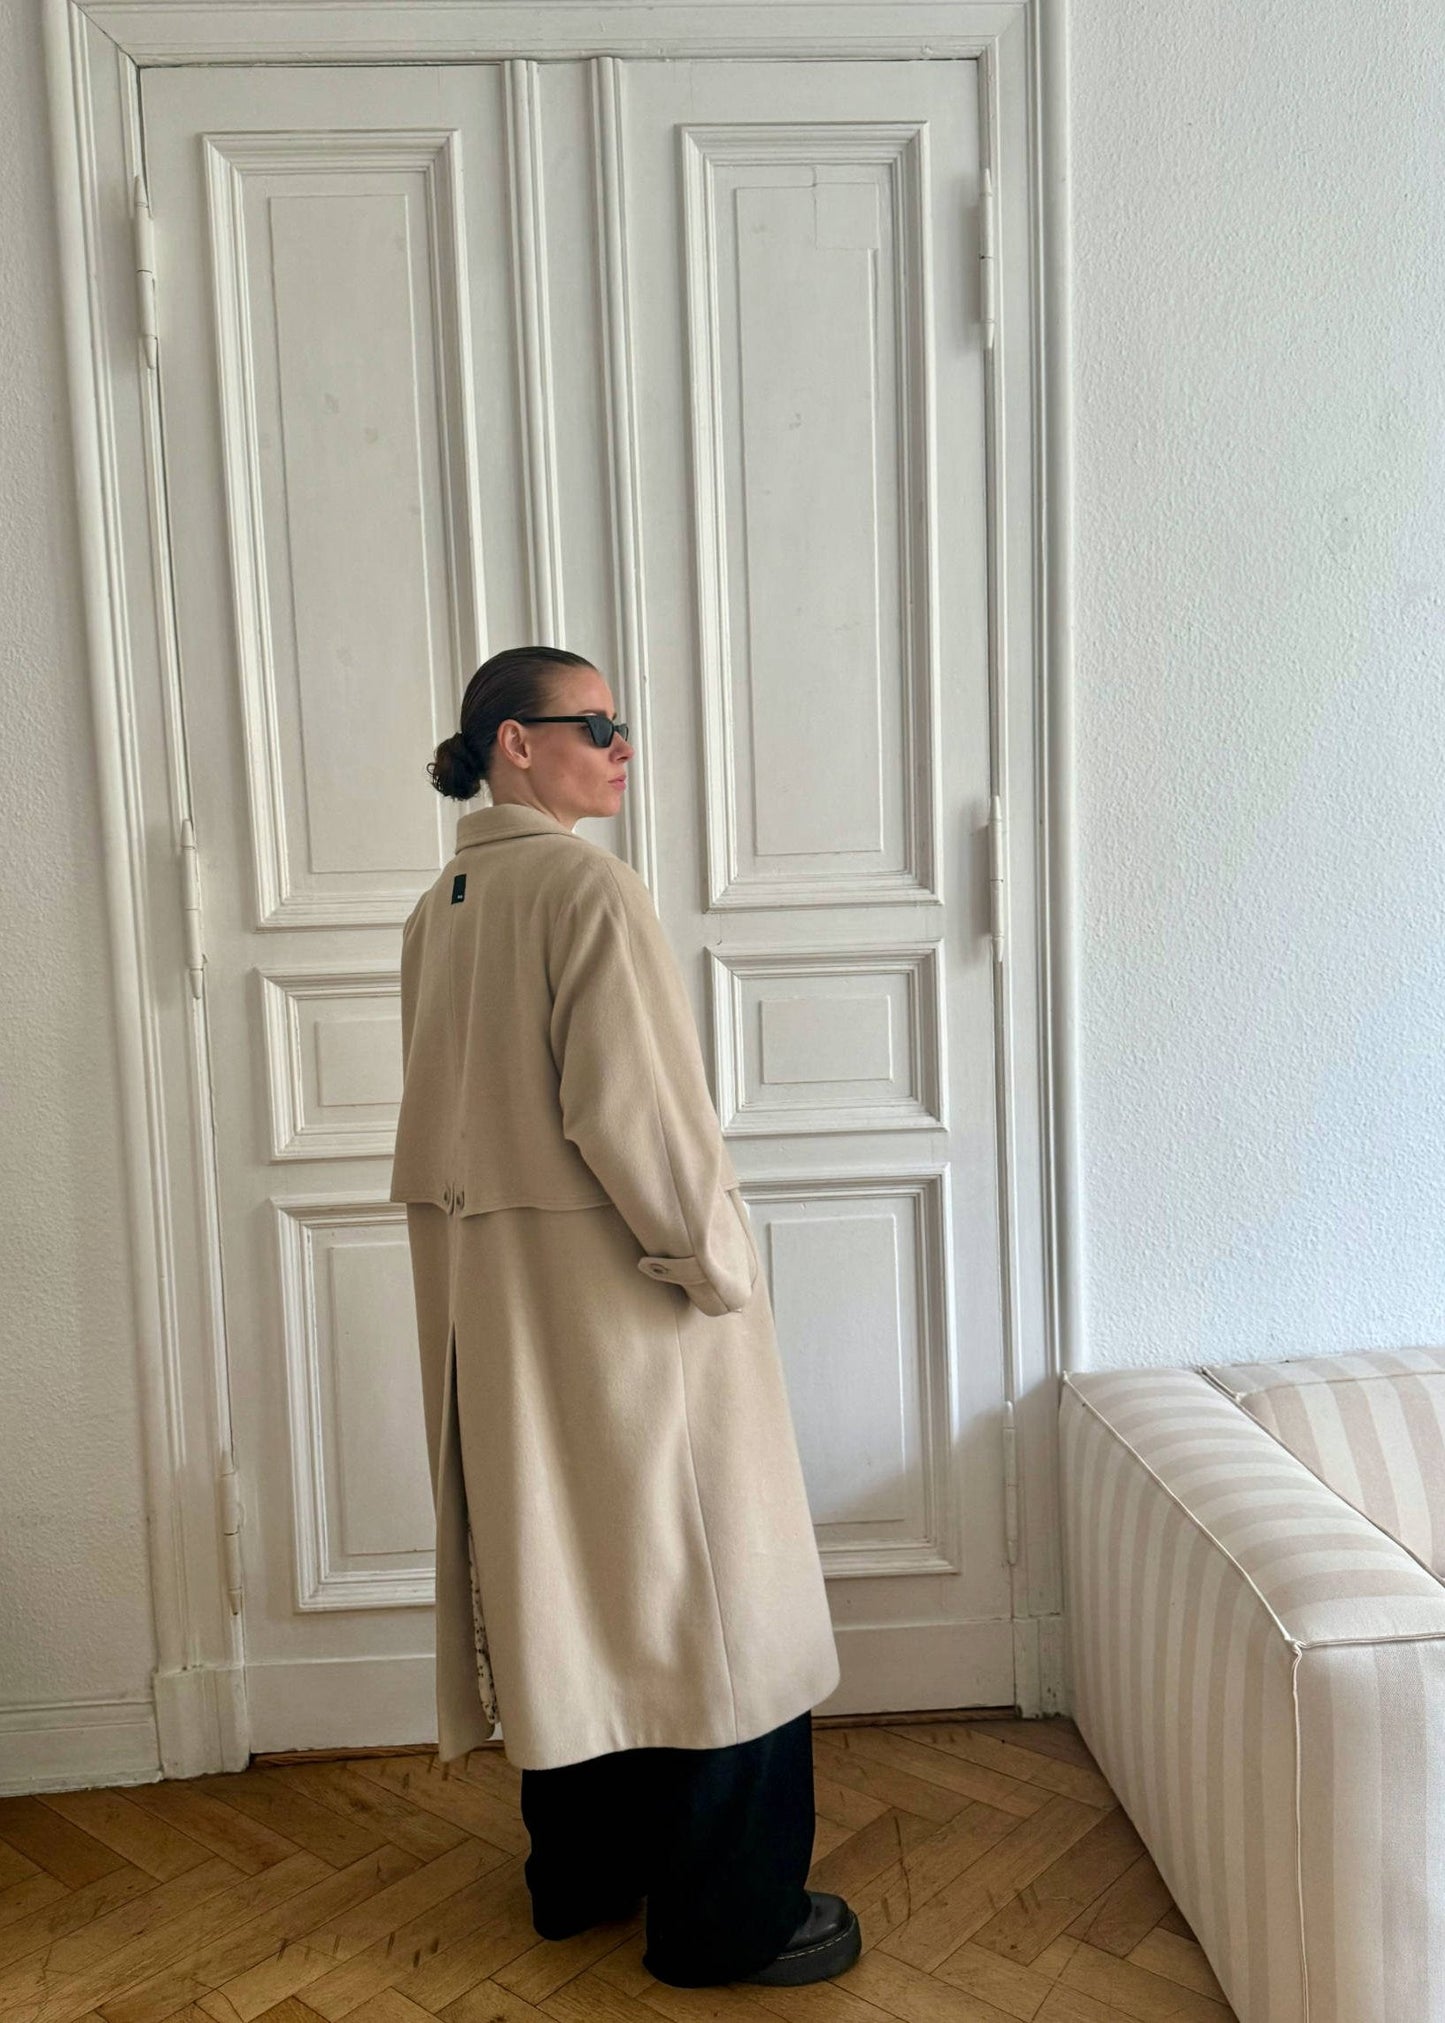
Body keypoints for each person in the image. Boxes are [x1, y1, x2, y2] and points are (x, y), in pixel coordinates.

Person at [389, 645, 861, 1987]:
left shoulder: (442, 906)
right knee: (716, 1599)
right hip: (620, 1300)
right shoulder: (587, 889)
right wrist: (716, 1268)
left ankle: (582, 1876)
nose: (621, 747)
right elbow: (634, 1115)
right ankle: (728, 1922)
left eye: (619, 725)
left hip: (499, 1308)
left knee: (562, 1583)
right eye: (594, 724)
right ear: (513, 742)